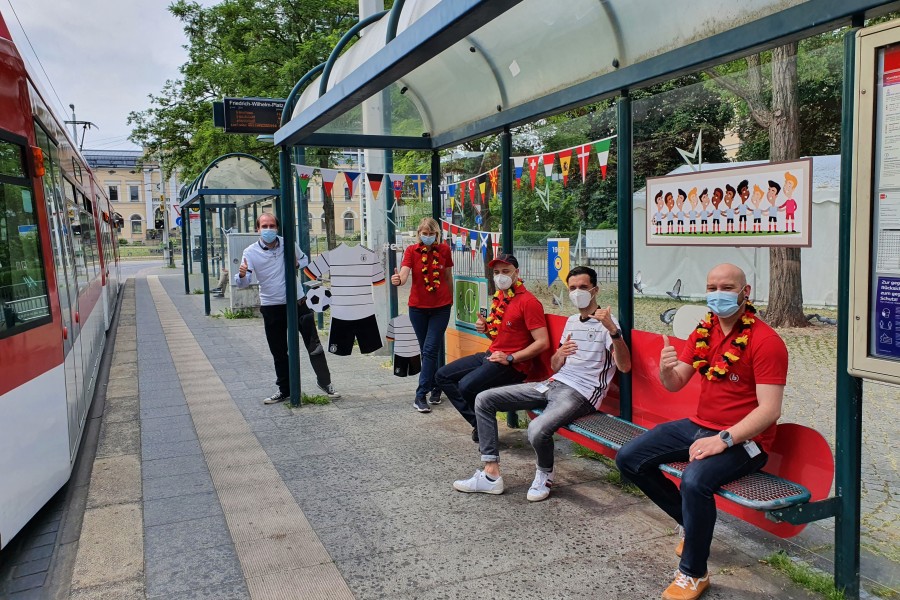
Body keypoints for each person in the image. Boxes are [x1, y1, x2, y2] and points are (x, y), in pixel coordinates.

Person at [615, 263, 787, 600]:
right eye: (712, 287)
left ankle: (694, 572)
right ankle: (693, 526)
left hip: (747, 440)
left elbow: (770, 410)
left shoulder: (766, 341)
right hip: (700, 425)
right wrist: (665, 370)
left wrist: (723, 440)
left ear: (745, 293)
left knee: (695, 480)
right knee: (629, 458)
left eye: (726, 287)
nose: (718, 294)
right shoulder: (704, 331)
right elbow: (676, 382)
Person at [452, 266, 631, 500]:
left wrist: (614, 332)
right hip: (554, 383)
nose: (578, 292)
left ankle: (544, 474)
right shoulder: (572, 321)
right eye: (573, 288)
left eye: (583, 287)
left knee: (536, 428)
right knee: (484, 399)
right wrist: (562, 354)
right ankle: (490, 474)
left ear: (595, 290)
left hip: (581, 393)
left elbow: (625, 366)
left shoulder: (608, 324)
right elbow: (556, 366)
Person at [434, 254, 548, 440]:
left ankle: (485, 429)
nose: (500, 276)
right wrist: (486, 329)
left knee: (466, 386)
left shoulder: (528, 302)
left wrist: (511, 358)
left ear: (516, 273)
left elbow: (542, 342)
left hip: (512, 364)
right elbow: (496, 336)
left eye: (505, 271)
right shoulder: (501, 298)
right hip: (491, 355)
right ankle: (480, 424)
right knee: (442, 376)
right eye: (496, 272)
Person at [234, 213, 340, 404]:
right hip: (272, 306)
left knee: (314, 345)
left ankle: (325, 383)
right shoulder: (250, 252)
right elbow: (243, 283)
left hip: (298, 302)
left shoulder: (287, 243)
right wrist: (241, 275)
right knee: (279, 351)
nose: (268, 230)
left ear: (277, 228)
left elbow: (305, 259)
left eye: (272, 226)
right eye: (264, 226)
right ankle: (285, 390)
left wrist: (298, 263)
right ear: (257, 229)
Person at [390, 217, 454, 413]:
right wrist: (398, 279)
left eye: (431, 233)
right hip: (417, 308)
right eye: (424, 233)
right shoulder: (411, 251)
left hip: (441, 307)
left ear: (437, 234)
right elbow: (405, 272)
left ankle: (420, 395)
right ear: (418, 234)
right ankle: (436, 386)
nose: (427, 237)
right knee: (427, 350)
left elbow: (447, 276)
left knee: (430, 348)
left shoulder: (444, 250)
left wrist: (450, 299)